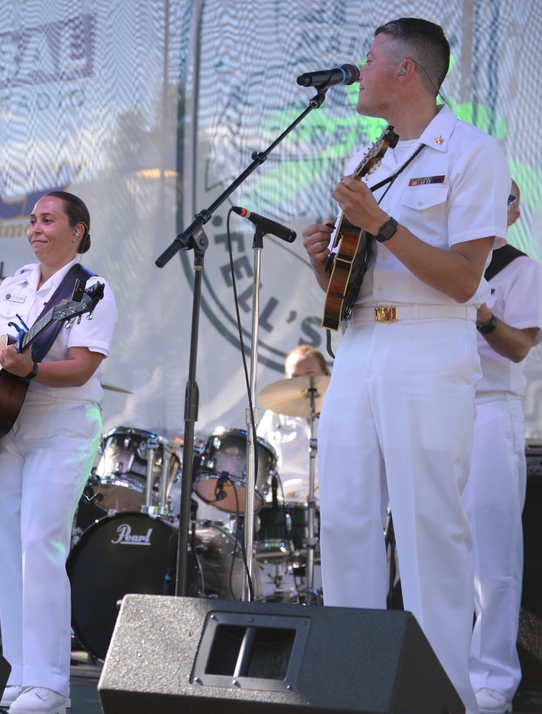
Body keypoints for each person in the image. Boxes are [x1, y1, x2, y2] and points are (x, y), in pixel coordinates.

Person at [300, 18, 509, 712]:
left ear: (405, 72)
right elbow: (363, 273)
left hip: (427, 343)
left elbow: (460, 279)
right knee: (348, 520)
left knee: (428, 527)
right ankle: (351, 691)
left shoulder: (474, 152)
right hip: (359, 344)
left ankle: (441, 697)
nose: (358, 71)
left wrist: (383, 223)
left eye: (368, 59)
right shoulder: (373, 155)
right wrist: (325, 261)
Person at [0, 191, 117, 714]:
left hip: (63, 427)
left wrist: (29, 369)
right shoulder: (12, 284)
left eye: (47, 220)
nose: (35, 228)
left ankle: (51, 683)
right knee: (12, 553)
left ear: (77, 230)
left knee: (40, 545)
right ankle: (17, 676)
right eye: (32, 220)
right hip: (2, 429)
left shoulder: (91, 290)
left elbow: (81, 367)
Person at [462, 180, 542, 714]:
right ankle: (443, 668)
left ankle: (493, 681)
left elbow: (518, 346)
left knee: (493, 555)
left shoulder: (521, 267)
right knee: (439, 551)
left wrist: (479, 310)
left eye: (505, 200)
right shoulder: (441, 261)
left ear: (514, 212)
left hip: (490, 408)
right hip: (433, 408)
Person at [257, 344, 329, 503]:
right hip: (280, 506)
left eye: (310, 374)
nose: (303, 382)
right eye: (295, 377)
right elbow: (257, 458)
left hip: (330, 503)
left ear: (326, 374)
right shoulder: (275, 414)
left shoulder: (341, 413)